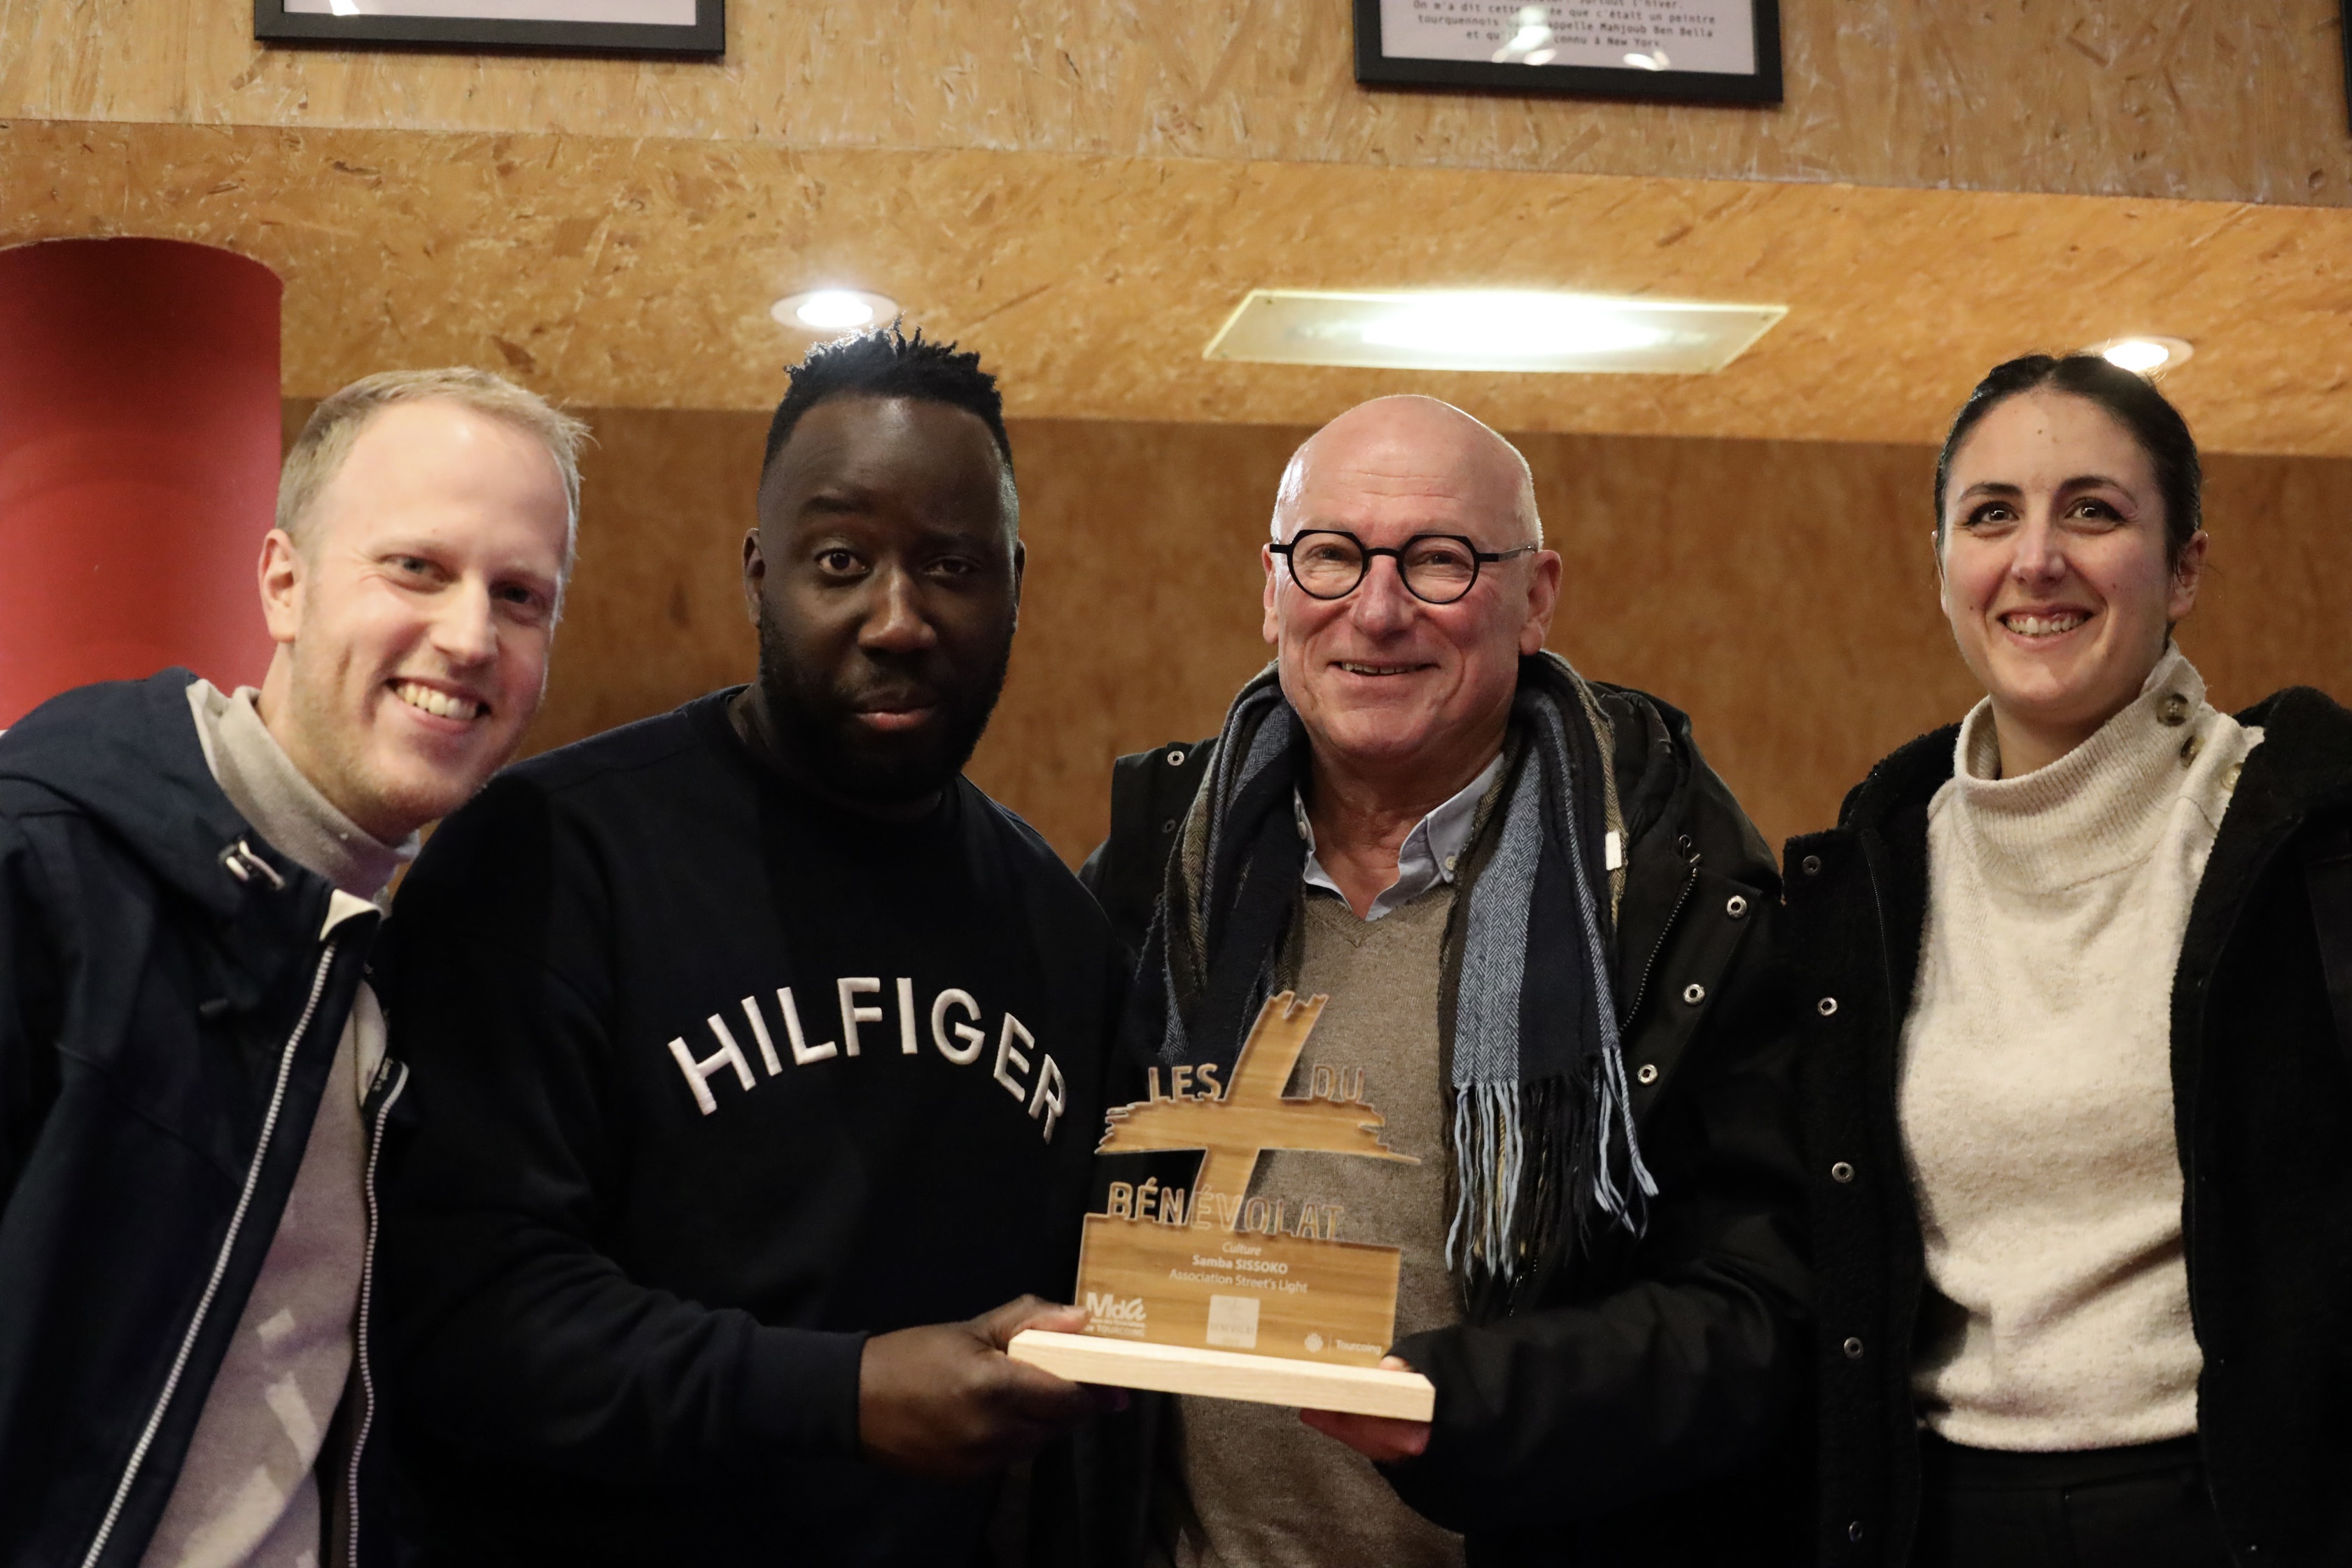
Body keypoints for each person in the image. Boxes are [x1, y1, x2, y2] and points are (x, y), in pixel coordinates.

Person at [379, 325, 1121, 1567]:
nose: (899, 619)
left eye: (951, 565)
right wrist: (843, 1394)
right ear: (758, 573)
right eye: (842, 562)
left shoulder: (1062, 934)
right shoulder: (551, 860)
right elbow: (467, 1313)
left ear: (1014, 585)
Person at [1081, 396, 1809, 1567]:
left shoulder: (1675, 902)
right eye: (1331, 556)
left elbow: (1757, 1313)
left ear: (1537, 598)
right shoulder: (1158, 873)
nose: (1377, 610)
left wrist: (1477, 1404)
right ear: (1273, 589)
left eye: (1438, 560)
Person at [0, 368, 582, 1568]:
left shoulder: (404, 970)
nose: (469, 637)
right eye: (415, 567)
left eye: (520, 596)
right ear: (283, 583)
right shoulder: (43, 869)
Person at [1789, 354, 2352, 1567]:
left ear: (2184, 566)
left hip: (2240, 1519)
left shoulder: (2311, 842)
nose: (2037, 559)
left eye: (2092, 512)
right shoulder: (1870, 879)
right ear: (1944, 563)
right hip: (1939, 1519)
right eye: (1992, 515)